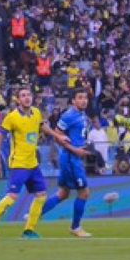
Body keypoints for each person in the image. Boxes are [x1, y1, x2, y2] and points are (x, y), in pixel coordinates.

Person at [0, 86, 53, 240]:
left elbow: (43, 127)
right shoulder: (12, 117)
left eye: (28, 95)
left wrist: (58, 137)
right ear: (18, 100)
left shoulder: (37, 113)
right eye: (23, 95)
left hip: (33, 164)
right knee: (12, 197)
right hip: (19, 164)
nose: (27, 98)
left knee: (41, 195)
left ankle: (28, 230)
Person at [40, 88, 94, 238]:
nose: (84, 100)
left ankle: (34, 214)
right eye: (80, 97)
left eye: (85, 98)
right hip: (71, 158)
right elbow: (57, 135)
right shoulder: (69, 115)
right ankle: (75, 227)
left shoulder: (81, 114)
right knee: (84, 192)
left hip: (72, 157)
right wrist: (75, 150)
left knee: (63, 193)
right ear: (73, 101)